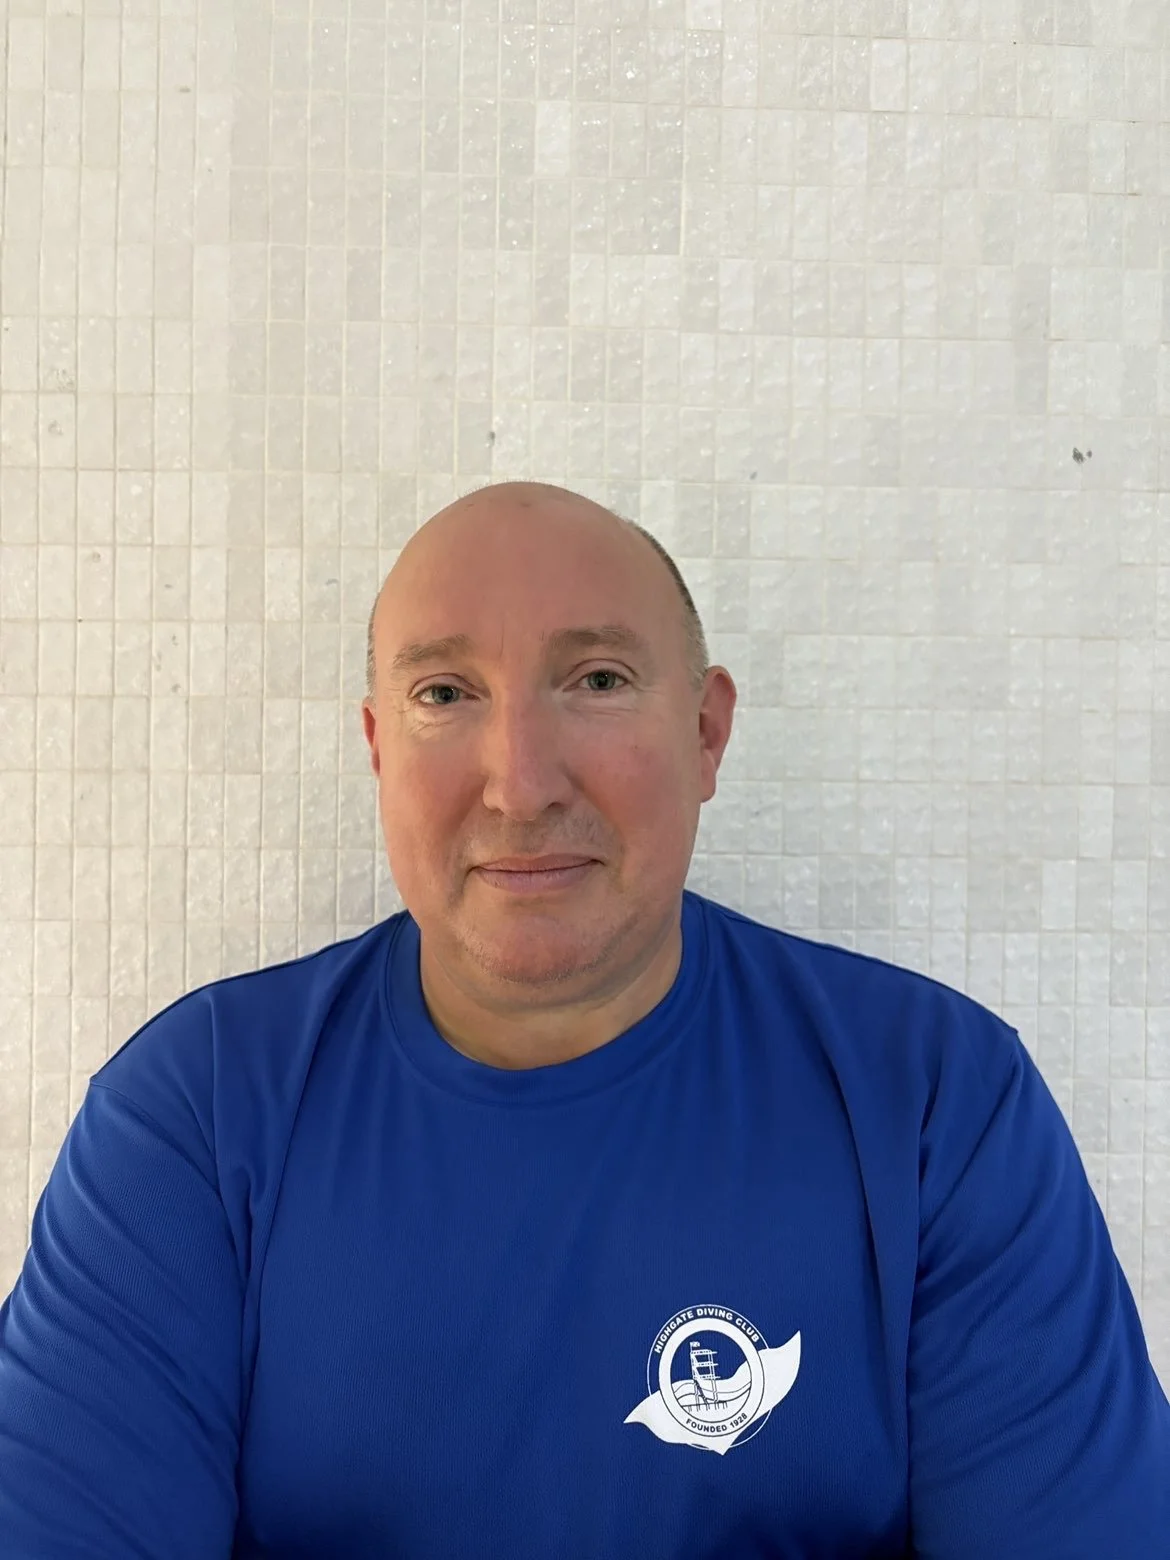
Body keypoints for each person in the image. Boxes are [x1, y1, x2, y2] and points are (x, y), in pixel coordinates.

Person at [0, 480, 1166, 1559]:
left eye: (597, 679)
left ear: (706, 734)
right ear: (376, 750)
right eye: (445, 695)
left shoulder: (936, 1104)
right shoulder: (196, 1119)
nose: (523, 781)